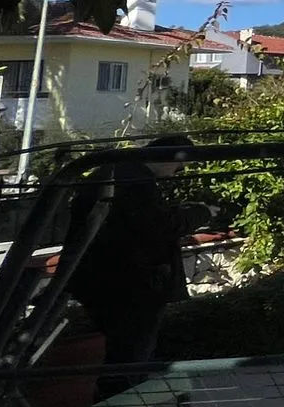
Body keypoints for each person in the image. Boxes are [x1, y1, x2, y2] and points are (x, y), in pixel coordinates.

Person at [62, 133, 194, 392]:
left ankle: (124, 406)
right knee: (129, 358)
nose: (178, 172)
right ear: (170, 158)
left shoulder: (116, 171)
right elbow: (155, 227)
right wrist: (196, 215)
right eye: (180, 166)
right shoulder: (134, 180)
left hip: (105, 279)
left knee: (128, 355)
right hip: (129, 285)